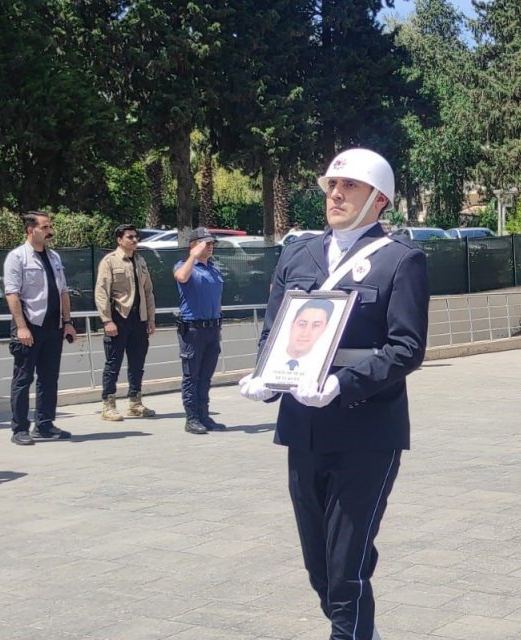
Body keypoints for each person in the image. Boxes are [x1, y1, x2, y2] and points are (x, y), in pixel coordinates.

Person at [237, 148, 429, 640]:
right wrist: (266, 377)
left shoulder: (400, 259)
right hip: (302, 426)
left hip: (367, 427)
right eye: (332, 186)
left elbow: (406, 348)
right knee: (319, 566)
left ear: (379, 199)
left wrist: (344, 383)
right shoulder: (297, 253)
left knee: (347, 566)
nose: (336, 194)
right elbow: (277, 328)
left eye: (350, 187)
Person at [4, 212, 78, 446]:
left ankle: (44, 424)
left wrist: (68, 322)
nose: (49, 231)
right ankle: (19, 429)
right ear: (30, 230)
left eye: (49, 226)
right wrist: (21, 327)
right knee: (23, 378)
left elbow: (63, 291)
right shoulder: (17, 257)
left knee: (49, 378)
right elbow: (12, 294)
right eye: (45, 227)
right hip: (30, 326)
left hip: (53, 327)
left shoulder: (54, 257)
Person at [94, 224, 157, 422]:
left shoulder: (140, 260)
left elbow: (148, 291)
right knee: (113, 363)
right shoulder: (110, 261)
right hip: (118, 318)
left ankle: (135, 403)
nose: (134, 240)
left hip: (139, 319)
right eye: (130, 237)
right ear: (119, 240)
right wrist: (107, 320)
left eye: (136, 237)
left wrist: (151, 318)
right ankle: (108, 405)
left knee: (137, 364)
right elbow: (101, 292)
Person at [174, 227, 227, 434]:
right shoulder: (184, 265)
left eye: (212, 243)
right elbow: (181, 277)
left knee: (206, 376)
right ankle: (192, 418)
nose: (210, 246)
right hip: (193, 329)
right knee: (191, 376)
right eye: (205, 243)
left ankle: (204, 415)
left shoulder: (214, 269)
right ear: (193, 245)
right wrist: (193, 257)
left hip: (212, 328)